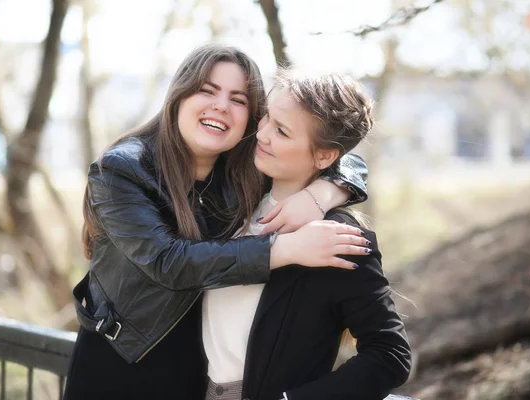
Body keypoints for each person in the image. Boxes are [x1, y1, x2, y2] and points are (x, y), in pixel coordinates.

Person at [64, 44, 373, 399]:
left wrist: (320, 196)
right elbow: (170, 262)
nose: (221, 106)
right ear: (179, 96)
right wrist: (284, 248)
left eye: (238, 99)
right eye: (207, 91)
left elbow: (342, 154)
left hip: (197, 377)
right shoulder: (124, 170)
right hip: (121, 368)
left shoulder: (247, 170)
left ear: (253, 116)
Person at [202, 70, 412, 400]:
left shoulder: (339, 238)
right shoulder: (230, 194)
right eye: (267, 118)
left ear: (325, 156)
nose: (262, 135)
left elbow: (390, 356)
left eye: (282, 132)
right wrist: (324, 191)